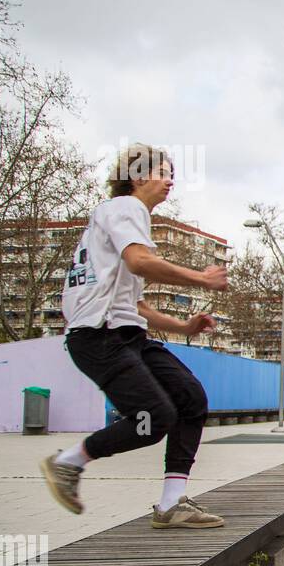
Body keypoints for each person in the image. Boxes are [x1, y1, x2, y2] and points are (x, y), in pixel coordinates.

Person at [40, 143, 228, 528]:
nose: (170, 180)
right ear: (138, 176)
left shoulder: (114, 222)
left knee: (190, 397)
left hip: (126, 334)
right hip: (98, 337)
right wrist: (202, 279)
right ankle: (67, 463)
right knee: (152, 418)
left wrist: (184, 327)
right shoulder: (125, 208)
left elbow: (136, 305)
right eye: (163, 172)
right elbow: (140, 261)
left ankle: (172, 503)